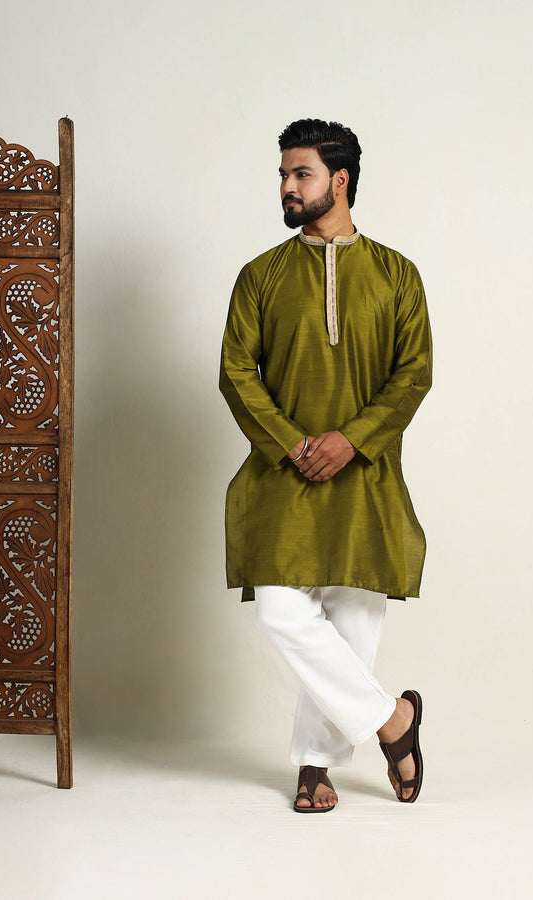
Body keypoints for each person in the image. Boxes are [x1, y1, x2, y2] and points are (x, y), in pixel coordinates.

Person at [219, 119, 432, 813]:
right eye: (284, 174)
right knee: (282, 613)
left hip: (366, 478)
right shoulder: (262, 276)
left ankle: (315, 765)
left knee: (352, 632)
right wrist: (292, 443)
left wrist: (353, 440)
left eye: (300, 173)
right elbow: (235, 374)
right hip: (286, 475)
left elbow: (413, 375)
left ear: (339, 181)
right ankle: (394, 722)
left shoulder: (397, 276)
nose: (287, 186)